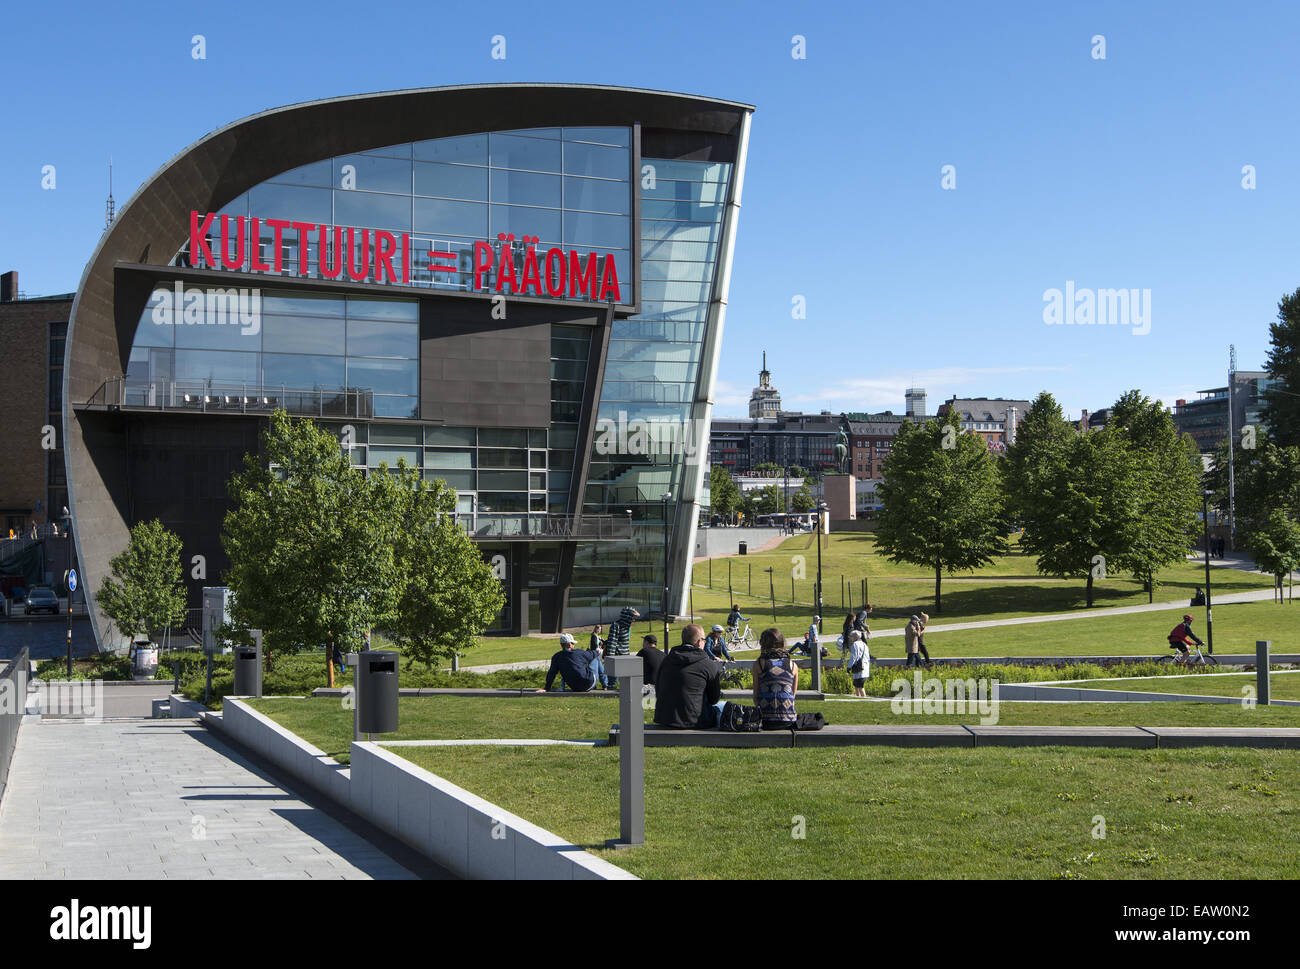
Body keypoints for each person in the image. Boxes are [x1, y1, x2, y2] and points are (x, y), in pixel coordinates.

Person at [654, 623, 727, 729]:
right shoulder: (707, 664)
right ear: (699, 642)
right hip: (695, 720)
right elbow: (714, 699)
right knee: (722, 706)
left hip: (666, 719)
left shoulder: (667, 661)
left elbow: (658, 691)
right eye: (704, 639)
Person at [752, 628, 798, 729]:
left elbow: (756, 695)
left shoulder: (759, 664)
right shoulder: (793, 665)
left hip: (765, 720)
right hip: (788, 719)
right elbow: (792, 695)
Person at [538, 633, 609, 693]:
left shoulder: (556, 657)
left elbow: (551, 673)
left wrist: (546, 688)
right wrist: (599, 650)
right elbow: (593, 654)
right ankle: (605, 684)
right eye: (573, 643)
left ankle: (605, 684)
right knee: (595, 659)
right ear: (569, 644)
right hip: (589, 683)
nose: (574, 645)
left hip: (575, 688)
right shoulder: (578, 653)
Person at [605, 606, 639, 689]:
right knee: (613, 682)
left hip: (625, 658)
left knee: (625, 682)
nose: (634, 620)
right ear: (627, 617)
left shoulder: (627, 628)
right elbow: (611, 643)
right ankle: (609, 694)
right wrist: (610, 659)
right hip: (616, 658)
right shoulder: (616, 626)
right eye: (632, 618)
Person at [841, 629, 868, 697]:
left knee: (859, 686)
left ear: (855, 637)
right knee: (857, 685)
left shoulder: (855, 644)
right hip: (864, 667)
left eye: (851, 636)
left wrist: (849, 667)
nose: (850, 638)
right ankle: (858, 699)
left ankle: (863, 699)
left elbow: (853, 657)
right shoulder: (864, 644)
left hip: (858, 668)